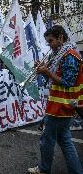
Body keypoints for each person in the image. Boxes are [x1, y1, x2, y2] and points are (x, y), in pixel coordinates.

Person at [28, 25, 83, 174]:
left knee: (47, 140)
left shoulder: (69, 55)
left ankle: (44, 169)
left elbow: (67, 82)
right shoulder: (60, 55)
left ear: (60, 38)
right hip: (60, 104)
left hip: (61, 106)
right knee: (65, 141)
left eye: (51, 41)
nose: (49, 45)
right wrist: (44, 71)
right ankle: (76, 171)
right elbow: (55, 79)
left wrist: (47, 72)